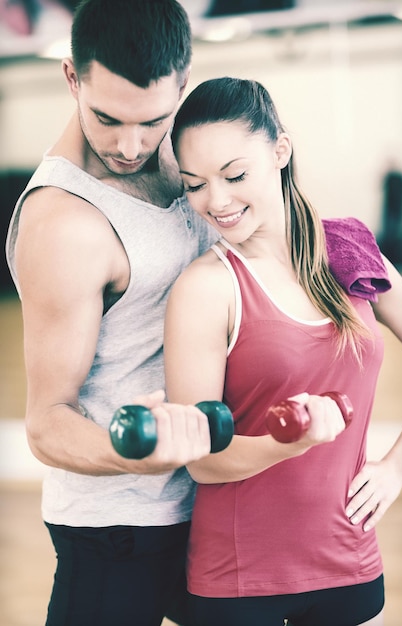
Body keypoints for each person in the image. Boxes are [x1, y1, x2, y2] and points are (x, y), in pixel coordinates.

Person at [164, 76, 402, 626]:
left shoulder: (348, 247)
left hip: (349, 563)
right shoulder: (206, 287)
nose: (217, 201)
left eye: (234, 175)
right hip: (237, 579)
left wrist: (400, 465)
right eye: (195, 184)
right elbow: (202, 461)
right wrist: (291, 442)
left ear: (280, 150)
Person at [5, 1, 219, 625]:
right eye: (107, 118)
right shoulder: (64, 222)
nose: (130, 146)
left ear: (183, 82)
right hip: (118, 528)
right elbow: (46, 421)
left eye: (152, 120)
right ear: (72, 77)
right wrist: (138, 455)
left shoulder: (184, 155)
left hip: (211, 501)